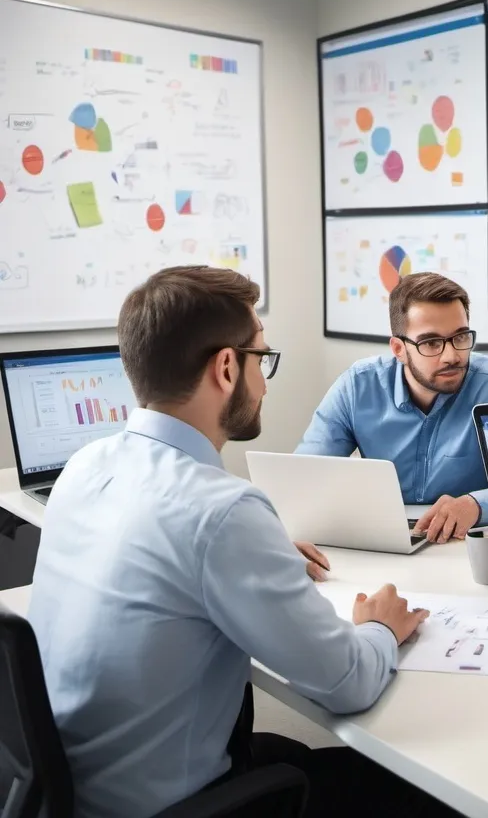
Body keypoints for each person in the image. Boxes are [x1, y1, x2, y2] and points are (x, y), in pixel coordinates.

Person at [27, 266, 455, 818]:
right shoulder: (223, 511)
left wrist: (261, 552)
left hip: (73, 786)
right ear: (226, 368)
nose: (266, 380)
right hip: (173, 805)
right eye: (262, 358)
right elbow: (347, 683)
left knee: (297, 754)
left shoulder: (86, 465)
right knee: (419, 792)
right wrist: (380, 626)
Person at [297, 272, 488, 543]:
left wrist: (476, 505)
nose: (452, 356)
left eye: (461, 337)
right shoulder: (357, 386)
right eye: (431, 343)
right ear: (398, 349)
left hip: (465, 544)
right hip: (381, 539)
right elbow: (305, 476)